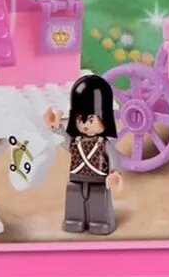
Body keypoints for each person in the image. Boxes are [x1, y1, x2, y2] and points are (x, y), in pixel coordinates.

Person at [46, 75, 123, 235]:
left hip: (98, 179)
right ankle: (74, 220)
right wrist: (57, 128)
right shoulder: (76, 141)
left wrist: (115, 172)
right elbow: (66, 144)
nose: (85, 125)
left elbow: (114, 157)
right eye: (80, 120)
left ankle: (100, 221)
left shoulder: (104, 144)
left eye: (90, 120)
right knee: (74, 196)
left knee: (98, 198)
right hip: (77, 177)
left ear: (104, 118)